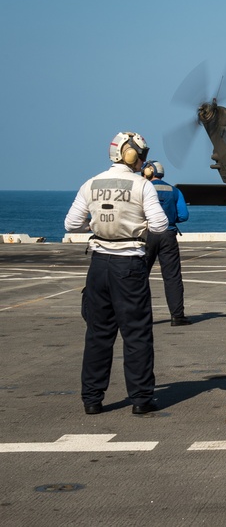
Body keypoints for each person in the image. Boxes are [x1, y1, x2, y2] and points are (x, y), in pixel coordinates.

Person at [64, 131, 168, 415]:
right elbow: (160, 226)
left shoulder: (91, 183)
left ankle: (92, 399)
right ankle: (140, 398)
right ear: (131, 154)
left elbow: (71, 223)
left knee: (98, 333)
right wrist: (137, 227)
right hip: (129, 265)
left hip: (98, 263)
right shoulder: (141, 186)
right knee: (136, 334)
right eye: (141, 155)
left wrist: (94, 226)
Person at [141, 160, 191, 326]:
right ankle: (177, 316)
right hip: (168, 234)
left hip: (147, 235)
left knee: (140, 276)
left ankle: (140, 317)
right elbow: (183, 215)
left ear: (147, 173)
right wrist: (169, 218)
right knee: (172, 277)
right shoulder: (174, 191)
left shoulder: (142, 189)